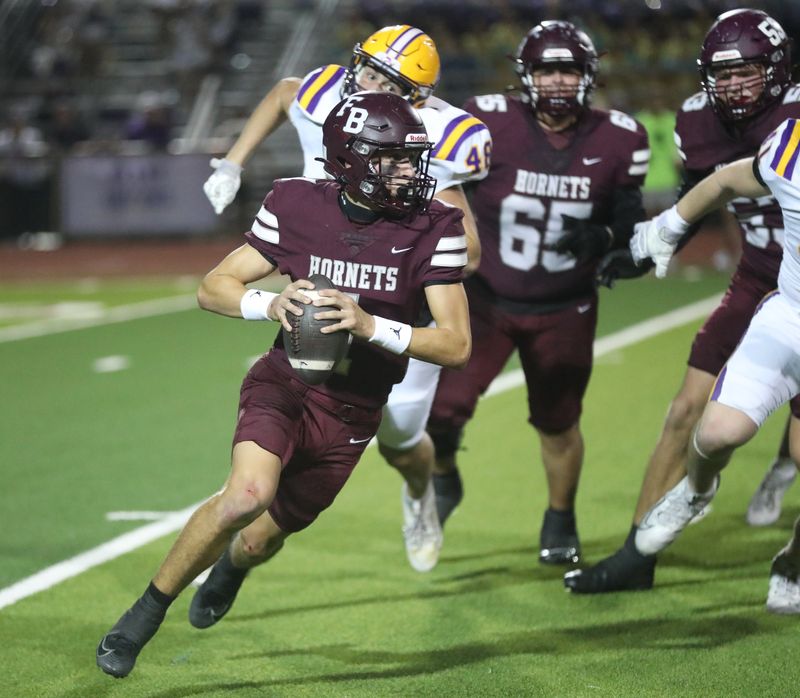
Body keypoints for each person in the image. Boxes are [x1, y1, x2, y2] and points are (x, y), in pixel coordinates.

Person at [96, 91, 472, 679]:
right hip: (286, 382)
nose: (408, 172)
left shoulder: (434, 225)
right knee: (246, 496)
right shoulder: (297, 204)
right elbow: (212, 286)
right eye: (391, 159)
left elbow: (456, 344)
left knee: (258, 541)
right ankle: (143, 615)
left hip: (355, 409)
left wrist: (372, 325)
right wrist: (270, 302)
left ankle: (232, 570)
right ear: (350, 159)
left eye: (410, 158)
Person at [203, 24, 491, 573]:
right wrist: (233, 162)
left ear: (419, 97)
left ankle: (420, 494)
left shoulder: (431, 141)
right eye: (367, 66)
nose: (365, 82)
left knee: (401, 441)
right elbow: (285, 91)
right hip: (323, 288)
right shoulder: (326, 96)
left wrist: (404, 217)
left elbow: (469, 251)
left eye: (386, 78)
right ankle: (234, 534)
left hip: (395, 306)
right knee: (282, 410)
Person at [565, 8, 800, 594]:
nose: (734, 86)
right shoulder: (698, 121)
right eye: (722, 74)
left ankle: (790, 534)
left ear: (776, 70)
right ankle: (638, 550)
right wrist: (645, 246)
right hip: (761, 276)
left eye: (747, 71)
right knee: (685, 411)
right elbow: (706, 191)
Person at [425, 20, 649, 564]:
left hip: (565, 305)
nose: (555, 81)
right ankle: (446, 475)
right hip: (485, 300)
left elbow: (629, 219)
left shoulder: (622, 135)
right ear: (525, 76)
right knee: (441, 414)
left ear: (587, 76)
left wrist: (608, 237)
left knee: (558, 421)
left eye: (567, 69)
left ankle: (560, 519)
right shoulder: (486, 121)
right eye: (546, 70)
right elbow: (444, 191)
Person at [618, 114, 800, 614]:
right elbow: (722, 180)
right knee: (719, 432)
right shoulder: (789, 147)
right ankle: (696, 490)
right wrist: (668, 226)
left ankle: (794, 562)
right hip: (790, 318)